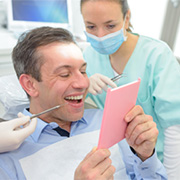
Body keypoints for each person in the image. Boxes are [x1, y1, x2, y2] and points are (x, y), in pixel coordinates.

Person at [0, 26, 167, 179]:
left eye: (83, 71)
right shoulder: (9, 157)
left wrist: (145, 156)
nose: (83, 84)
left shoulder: (106, 121)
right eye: (65, 74)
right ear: (30, 85)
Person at [80, 0, 180, 178]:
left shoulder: (156, 56)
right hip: (118, 162)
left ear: (126, 18)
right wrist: (85, 86)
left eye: (110, 25)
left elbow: (174, 127)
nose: (101, 35)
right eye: (91, 26)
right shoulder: (88, 56)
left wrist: (171, 175)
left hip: (158, 160)